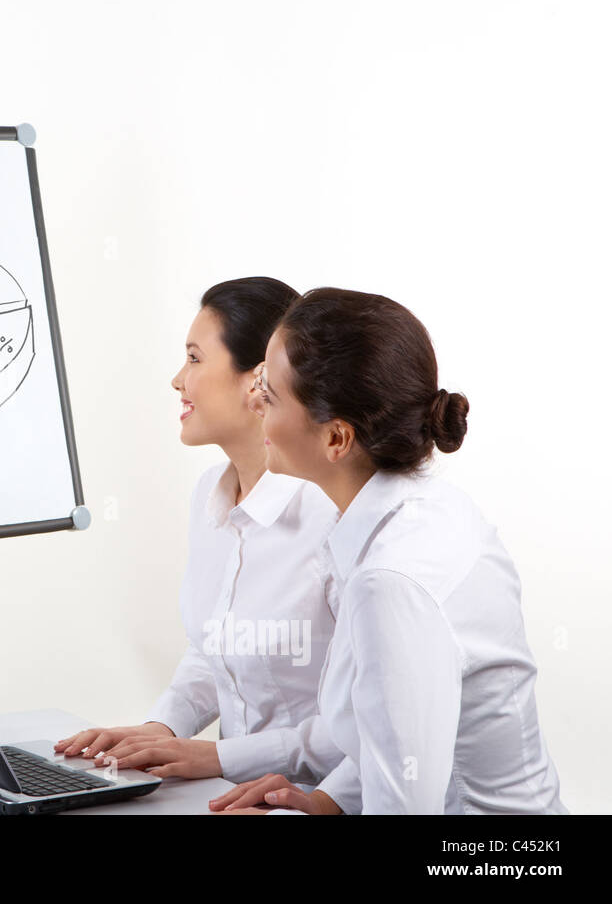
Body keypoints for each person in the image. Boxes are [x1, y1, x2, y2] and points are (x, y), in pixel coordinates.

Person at [206, 287, 565, 813]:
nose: (256, 401)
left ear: (336, 440)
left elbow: (405, 802)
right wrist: (327, 800)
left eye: (272, 394)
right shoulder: (433, 508)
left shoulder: (390, 583)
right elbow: (398, 730)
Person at [54, 278, 342, 781]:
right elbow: (217, 650)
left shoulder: (330, 515)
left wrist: (219, 758)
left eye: (193, 358)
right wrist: (163, 727)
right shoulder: (212, 495)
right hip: (235, 798)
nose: (177, 380)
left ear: (259, 379)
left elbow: (370, 719)